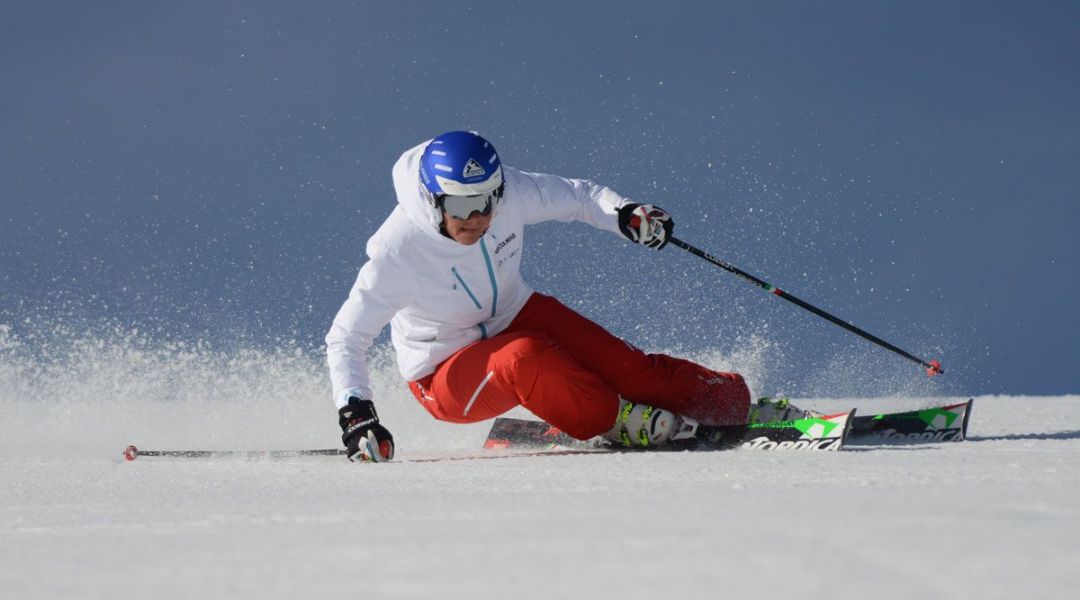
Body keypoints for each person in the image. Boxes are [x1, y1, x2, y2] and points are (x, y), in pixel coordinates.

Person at [326, 131, 754, 462]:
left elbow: (581, 198)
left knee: (631, 370)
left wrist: (626, 214)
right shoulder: (398, 251)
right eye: (458, 207)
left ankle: (728, 402)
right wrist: (356, 413)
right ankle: (616, 420)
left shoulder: (510, 191)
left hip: (514, 312)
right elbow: (346, 337)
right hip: (442, 370)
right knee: (525, 358)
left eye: (484, 202)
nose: (475, 218)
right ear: (431, 199)